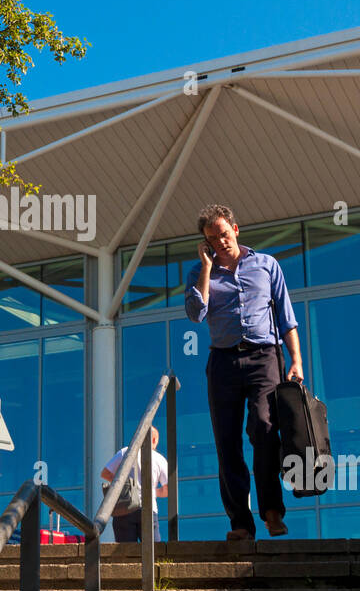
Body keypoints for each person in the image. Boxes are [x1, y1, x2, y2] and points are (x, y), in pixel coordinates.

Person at [185, 203, 304, 540]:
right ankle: (240, 523)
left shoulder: (266, 265)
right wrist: (207, 269)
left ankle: (271, 510)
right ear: (206, 243)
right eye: (212, 238)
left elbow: (286, 317)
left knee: (265, 428)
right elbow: (196, 314)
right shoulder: (197, 273)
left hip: (264, 356)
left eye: (223, 234)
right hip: (223, 362)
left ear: (235, 229)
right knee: (227, 442)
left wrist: (296, 360)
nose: (220, 241)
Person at [100, 427, 169, 542]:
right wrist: (153, 491)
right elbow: (167, 490)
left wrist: (123, 485)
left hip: (124, 506)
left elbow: (105, 473)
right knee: (155, 552)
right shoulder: (159, 459)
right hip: (148, 507)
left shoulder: (125, 452)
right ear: (154, 440)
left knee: (125, 553)